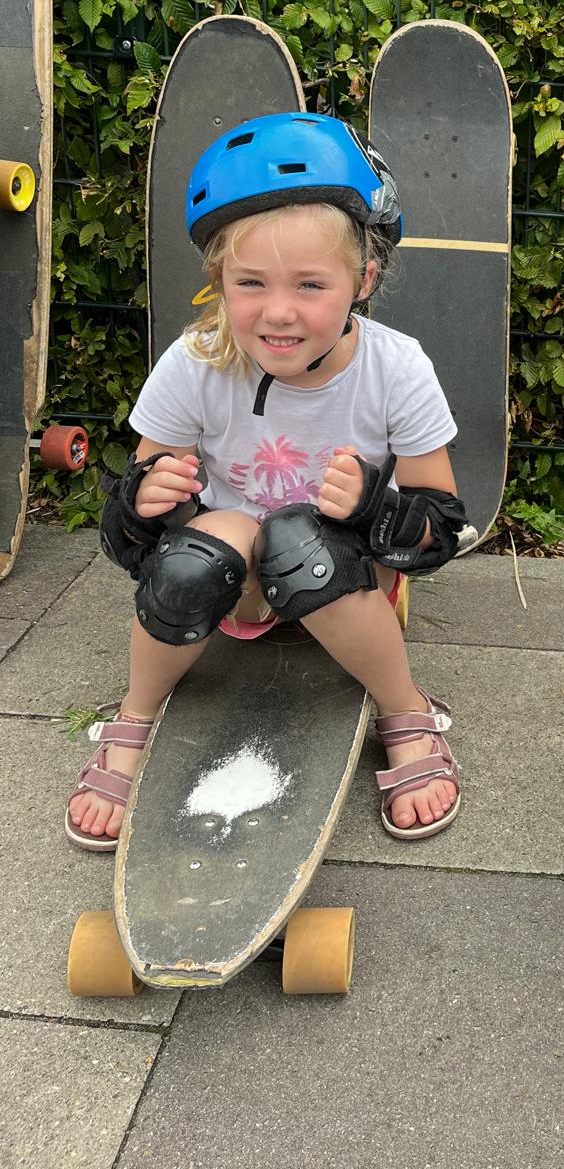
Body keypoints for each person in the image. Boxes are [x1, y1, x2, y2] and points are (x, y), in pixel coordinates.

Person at [67, 112, 470, 851]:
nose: (279, 312)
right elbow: (131, 534)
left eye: (311, 284)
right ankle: (134, 716)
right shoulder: (196, 362)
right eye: (250, 282)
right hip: (237, 586)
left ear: (363, 280)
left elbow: (441, 527)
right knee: (199, 553)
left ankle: (405, 710)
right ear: (219, 280)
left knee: (295, 535)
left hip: (347, 574)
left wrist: (375, 508)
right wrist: (143, 506)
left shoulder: (397, 367)